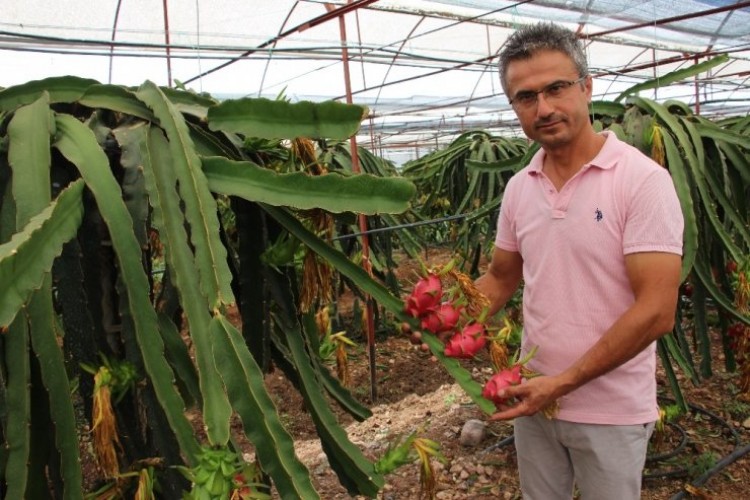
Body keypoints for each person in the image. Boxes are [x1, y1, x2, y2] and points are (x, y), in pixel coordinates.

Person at [474, 23, 685, 499]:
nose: (543, 108)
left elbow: (657, 310)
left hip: (611, 410)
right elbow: (500, 279)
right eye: (526, 97)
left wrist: (564, 382)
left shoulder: (641, 181)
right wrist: (441, 320)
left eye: (556, 88)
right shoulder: (519, 188)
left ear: (587, 87)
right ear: (514, 108)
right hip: (534, 401)